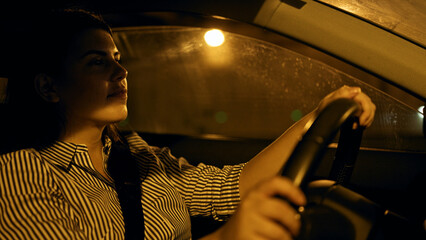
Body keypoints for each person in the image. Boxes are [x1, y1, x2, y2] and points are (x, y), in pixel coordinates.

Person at [0, 7, 376, 240]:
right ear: (49, 86)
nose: (121, 70)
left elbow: (233, 186)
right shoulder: (18, 171)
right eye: (97, 62)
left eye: (117, 57)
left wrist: (318, 117)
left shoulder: (134, 154)